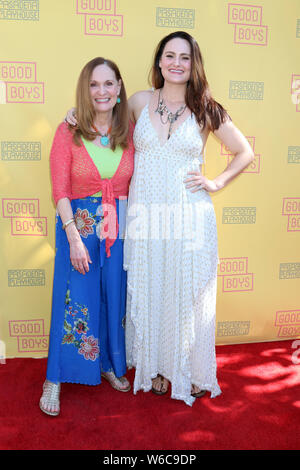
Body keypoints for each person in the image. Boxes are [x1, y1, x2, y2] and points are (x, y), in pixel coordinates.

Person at [66, 31, 254, 407]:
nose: (177, 63)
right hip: (145, 215)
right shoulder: (137, 101)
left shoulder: (207, 109)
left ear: (193, 63)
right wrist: (74, 115)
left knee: (187, 294)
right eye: (170, 56)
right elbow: (102, 114)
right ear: (159, 62)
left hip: (189, 215)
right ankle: (156, 367)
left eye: (185, 57)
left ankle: (190, 370)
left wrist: (215, 182)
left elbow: (244, 152)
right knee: (152, 284)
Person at [40, 57, 134, 416]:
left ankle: (109, 364)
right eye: (94, 84)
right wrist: (74, 237)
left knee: (113, 296)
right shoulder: (69, 131)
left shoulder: (130, 132)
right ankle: (54, 378)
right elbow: (60, 190)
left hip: (117, 226)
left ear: (119, 88)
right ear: (85, 89)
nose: (102, 91)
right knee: (72, 300)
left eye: (109, 83)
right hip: (75, 225)